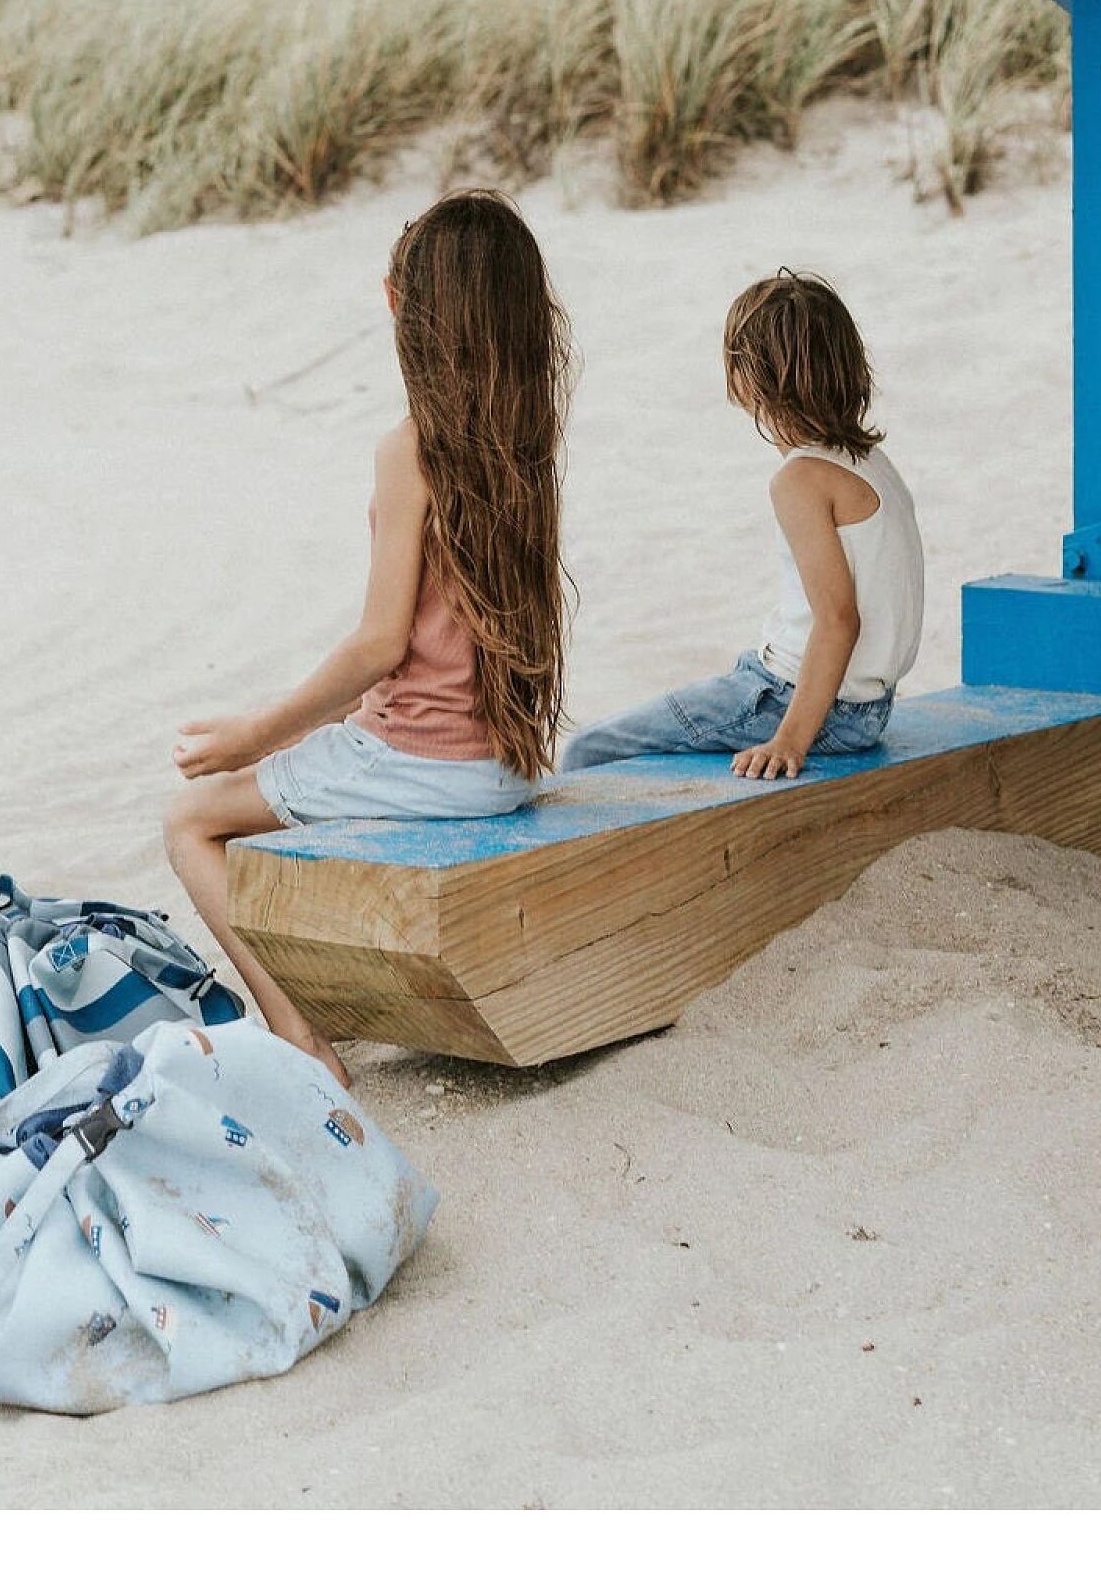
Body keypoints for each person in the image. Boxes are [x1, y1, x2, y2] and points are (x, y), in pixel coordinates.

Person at [165, 189, 574, 1084]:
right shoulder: (523, 440)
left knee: (192, 822)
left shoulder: (413, 448)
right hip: (498, 769)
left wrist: (250, 736)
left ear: (398, 304)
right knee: (315, 749)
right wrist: (305, 732)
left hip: (422, 768)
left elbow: (379, 646)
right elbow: (426, 652)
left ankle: (298, 1034)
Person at [564, 268, 923, 781]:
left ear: (750, 378)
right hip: (870, 707)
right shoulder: (871, 463)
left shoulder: (800, 481)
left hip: (801, 702)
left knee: (587, 752)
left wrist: (789, 740)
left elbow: (839, 619)